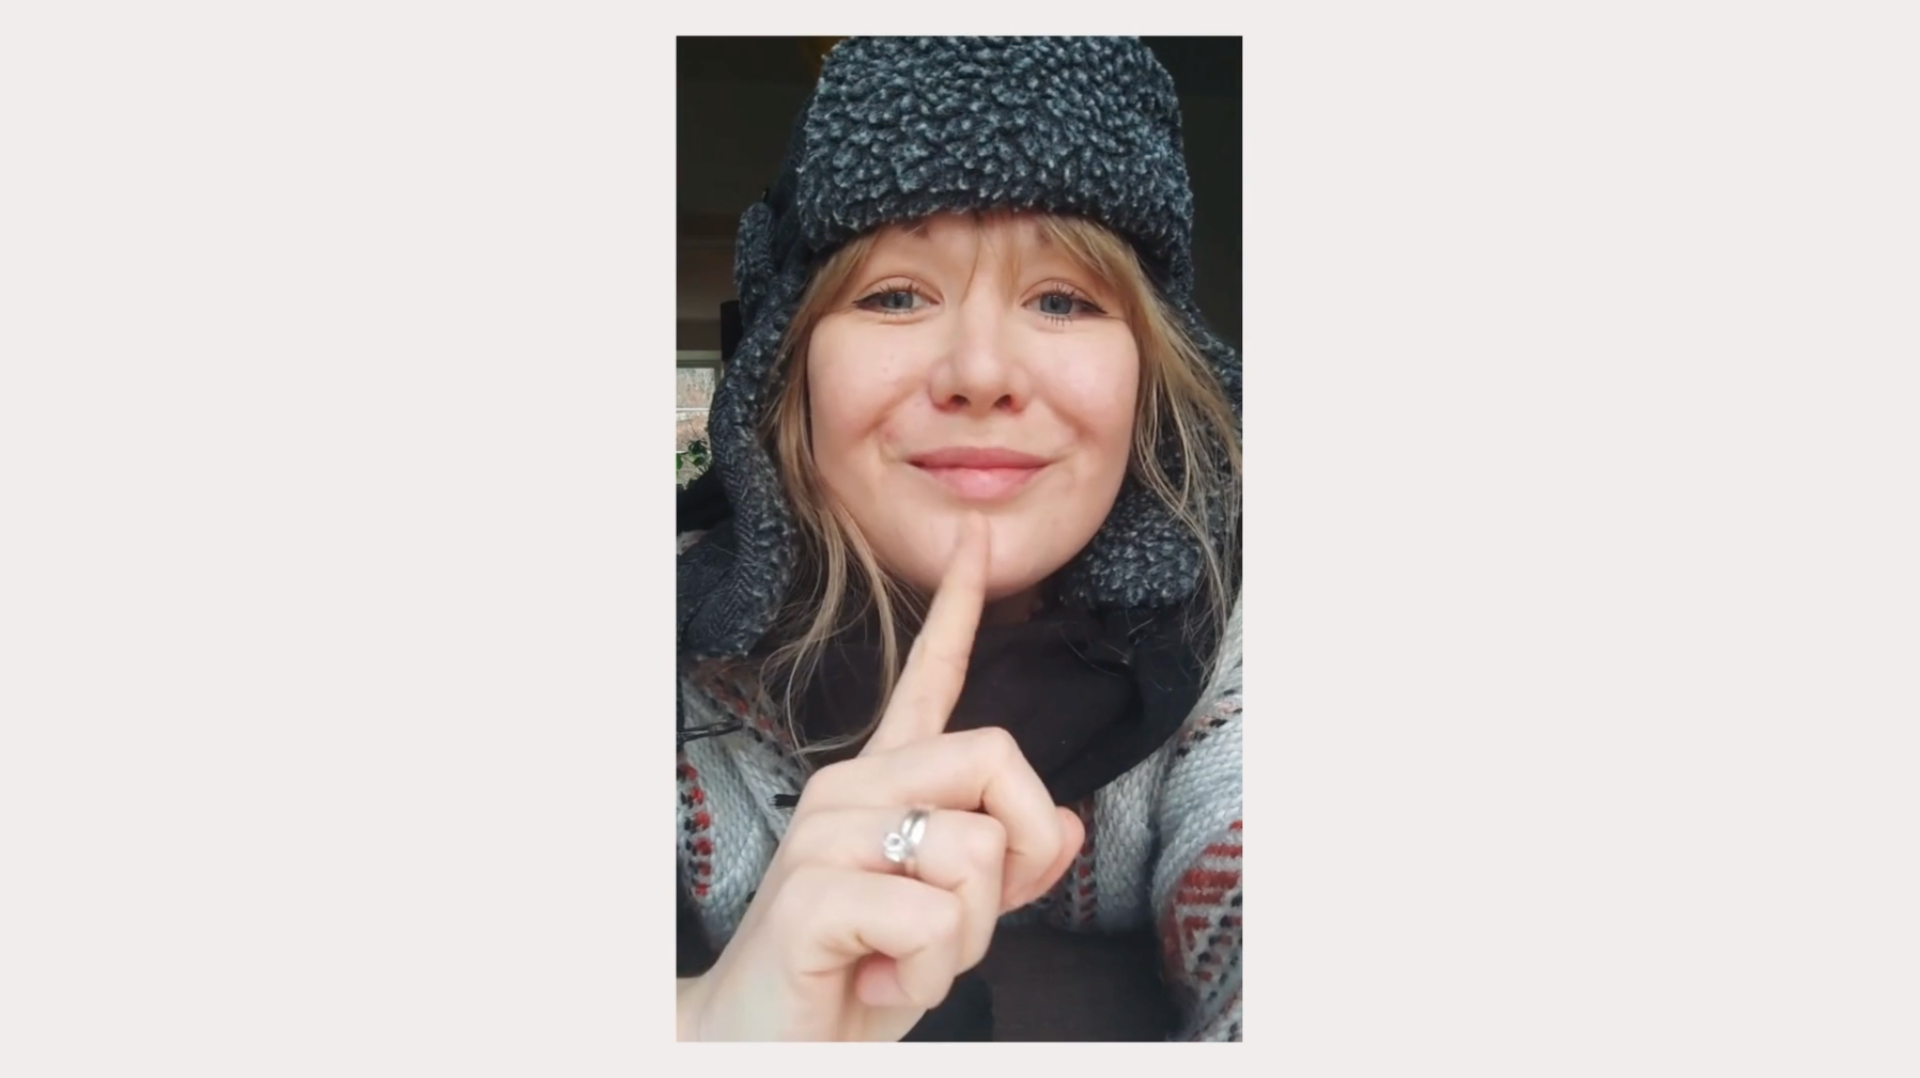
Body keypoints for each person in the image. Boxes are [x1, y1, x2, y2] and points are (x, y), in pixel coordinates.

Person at [675, 36, 1242, 1041]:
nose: (980, 373)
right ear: (785, 373)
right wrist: (706, 1029)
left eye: (1062, 299)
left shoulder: (1238, 633)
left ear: (1152, 375)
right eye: (895, 295)